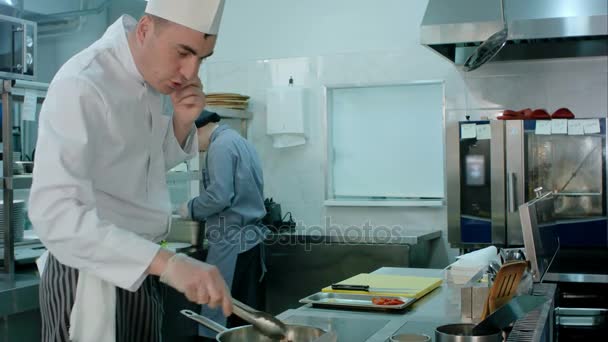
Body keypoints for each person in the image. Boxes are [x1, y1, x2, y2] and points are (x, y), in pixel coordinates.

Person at [27, 1, 232, 341]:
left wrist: (181, 122)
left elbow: (142, 168)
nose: (190, 73)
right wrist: (168, 263)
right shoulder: (83, 82)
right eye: (183, 52)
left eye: (201, 59)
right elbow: (55, 215)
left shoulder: (149, 79)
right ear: (145, 29)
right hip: (89, 275)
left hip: (143, 270)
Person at [179, 110, 269, 340]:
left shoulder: (219, 147)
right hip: (250, 241)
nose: (193, 149)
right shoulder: (240, 142)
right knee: (243, 318)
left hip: (231, 243)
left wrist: (190, 208)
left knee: (217, 315)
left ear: (196, 130)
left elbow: (220, 197)